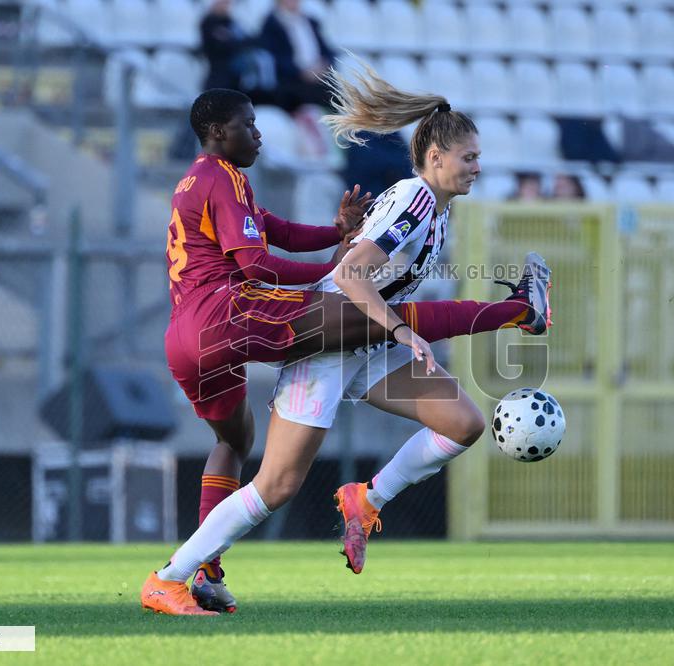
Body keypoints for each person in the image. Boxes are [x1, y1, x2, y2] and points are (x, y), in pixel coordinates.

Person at [141, 88, 552, 615]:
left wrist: (383, 313)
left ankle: (367, 499)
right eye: (469, 157)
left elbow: (299, 241)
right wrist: (399, 330)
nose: (477, 167)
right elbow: (351, 276)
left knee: (464, 424)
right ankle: (169, 577)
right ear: (435, 157)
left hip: (365, 334)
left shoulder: (436, 212)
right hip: (332, 340)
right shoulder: (415, 200)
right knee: (277, 483)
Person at [257, 0, 335, 112]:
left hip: (319, 77)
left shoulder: (311, 22)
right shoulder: (271, 24)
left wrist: (324, 65)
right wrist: (302, 72)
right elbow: (275, 57)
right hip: (292, 81)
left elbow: (327, 51)